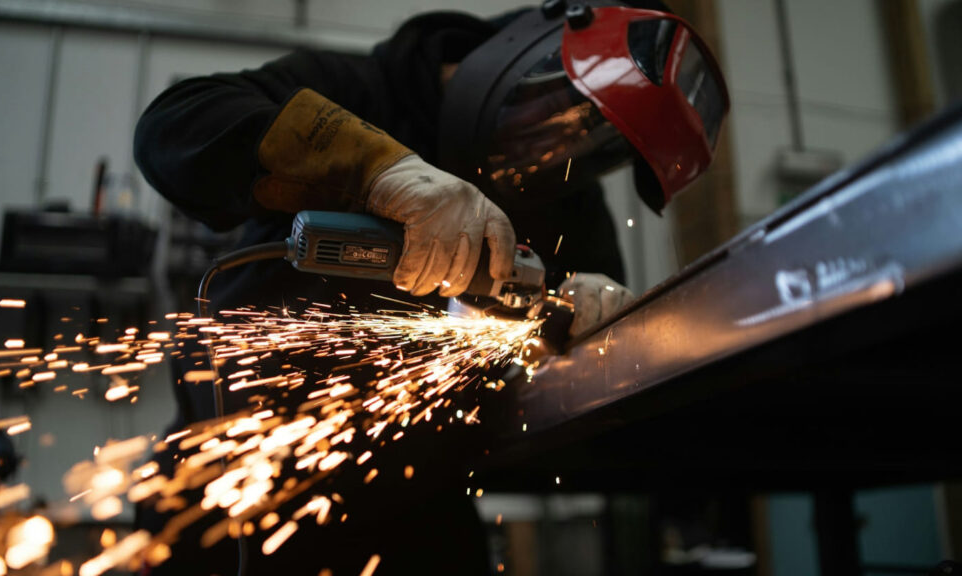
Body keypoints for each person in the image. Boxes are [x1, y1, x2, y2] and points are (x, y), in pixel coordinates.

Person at [133, 1, 728, 574]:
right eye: (567, 113)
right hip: (228, 491)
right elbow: (174, 125)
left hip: (411, 508)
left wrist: (588, 324)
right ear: (532, 48)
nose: (562, 146)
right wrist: (376, 168)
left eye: (599, 143)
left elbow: (587, 376)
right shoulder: (361, 89)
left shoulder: (566, 195)